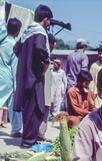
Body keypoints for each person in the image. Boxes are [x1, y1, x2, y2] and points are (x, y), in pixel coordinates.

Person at [13, 4, 53, 148]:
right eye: (49, 21)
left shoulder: (26, 32)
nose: (49, 24)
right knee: (36, 109)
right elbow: (39, 49)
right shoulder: (39, 33)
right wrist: (46, 61)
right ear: (46, 19)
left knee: (28, 108)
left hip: (24, 76)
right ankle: (28, 141)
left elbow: (16, 49)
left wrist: (26, 60)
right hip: (35, 77)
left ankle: (27, 139)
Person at [0, 18, 22, 135]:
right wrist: (16, 86)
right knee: (14, 105)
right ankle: (16, 129)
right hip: (7, 77)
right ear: (18, 31)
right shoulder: (14, 45)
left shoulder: (1, 41)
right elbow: (15, 67)